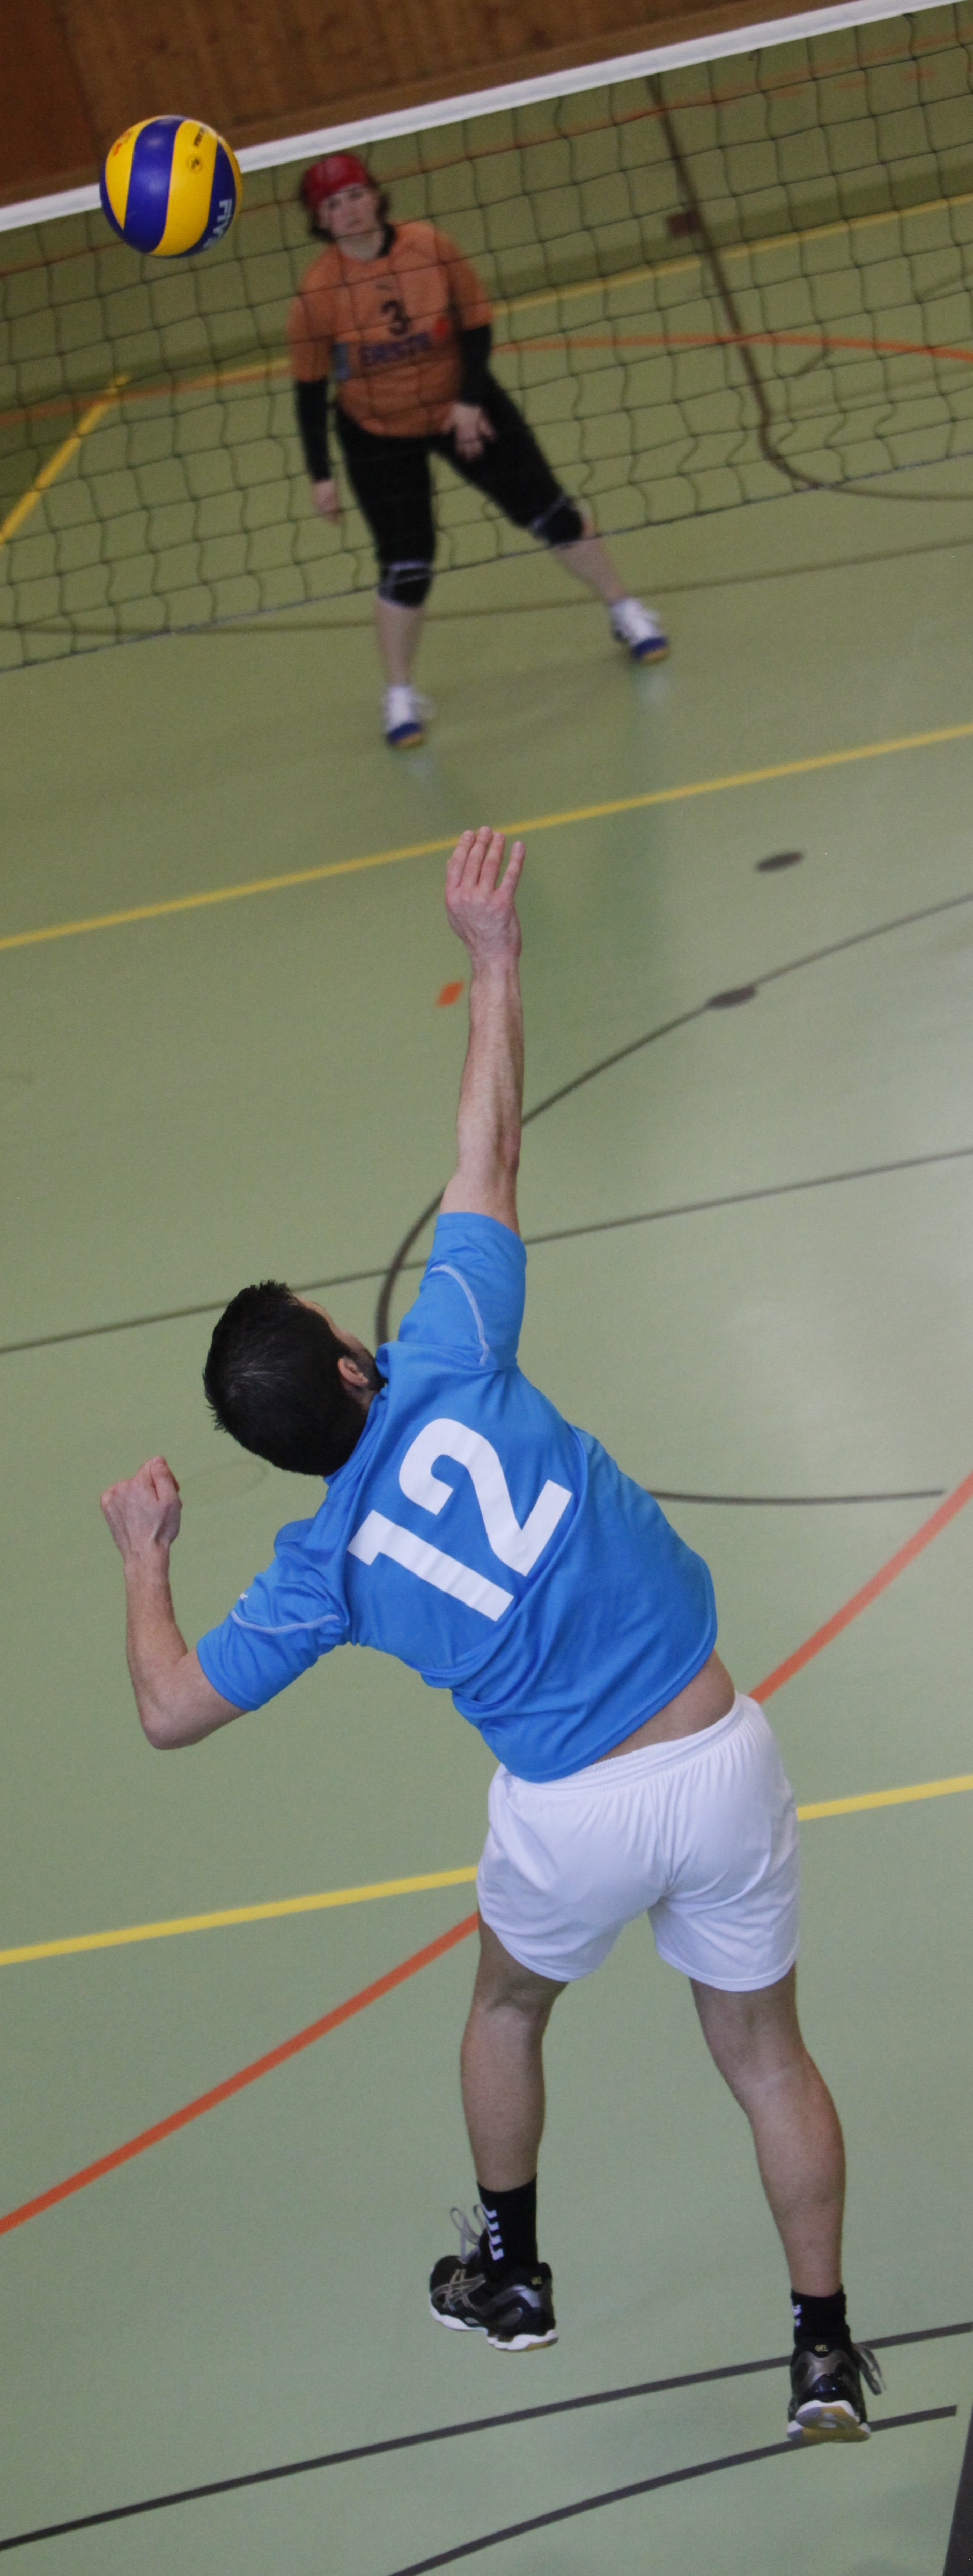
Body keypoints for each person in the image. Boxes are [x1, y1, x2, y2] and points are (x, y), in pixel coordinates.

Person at [101, 827, 880, 2446]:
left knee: (507, 2006)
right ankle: (819, 2347)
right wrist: (496, 956)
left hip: (566, 1817)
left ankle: (511, 2274)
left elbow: (167, 1708)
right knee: (762, 2056)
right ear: (352, 1365)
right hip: (717, 1749)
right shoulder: (451, 1341)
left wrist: (143, 1559)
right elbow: (489, 1150)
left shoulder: (318, 1569)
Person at [288, 153, 668, 748]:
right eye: (333, 204)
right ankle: (398, 695)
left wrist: (468, 401)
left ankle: (624, 611)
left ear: (376, 195)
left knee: (549, 510)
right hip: (376, 431)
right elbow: (310, 389)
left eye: (356, 195)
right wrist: (320, 474)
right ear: (320, 220)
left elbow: (475, 324)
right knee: (407, 565)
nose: (350, 211)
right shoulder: (317, 294)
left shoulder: (428, 246)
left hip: (461, 404)